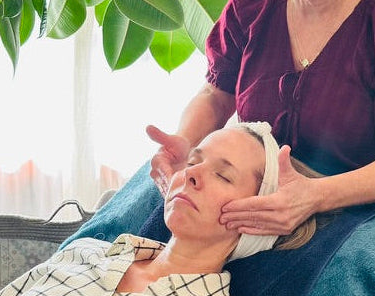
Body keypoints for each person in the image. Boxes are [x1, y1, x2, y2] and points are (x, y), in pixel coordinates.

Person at [0, 122, 316, 296]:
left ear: (259, 220)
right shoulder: (82, 253)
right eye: (193, 162)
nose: (190, 174)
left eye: (223, 175)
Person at [148, 0, 375, 239]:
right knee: (157, 188)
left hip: (352, 202)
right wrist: (188, 143)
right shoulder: (249, 7)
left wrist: (317, 196)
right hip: (249, 186)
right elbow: (215, 95)